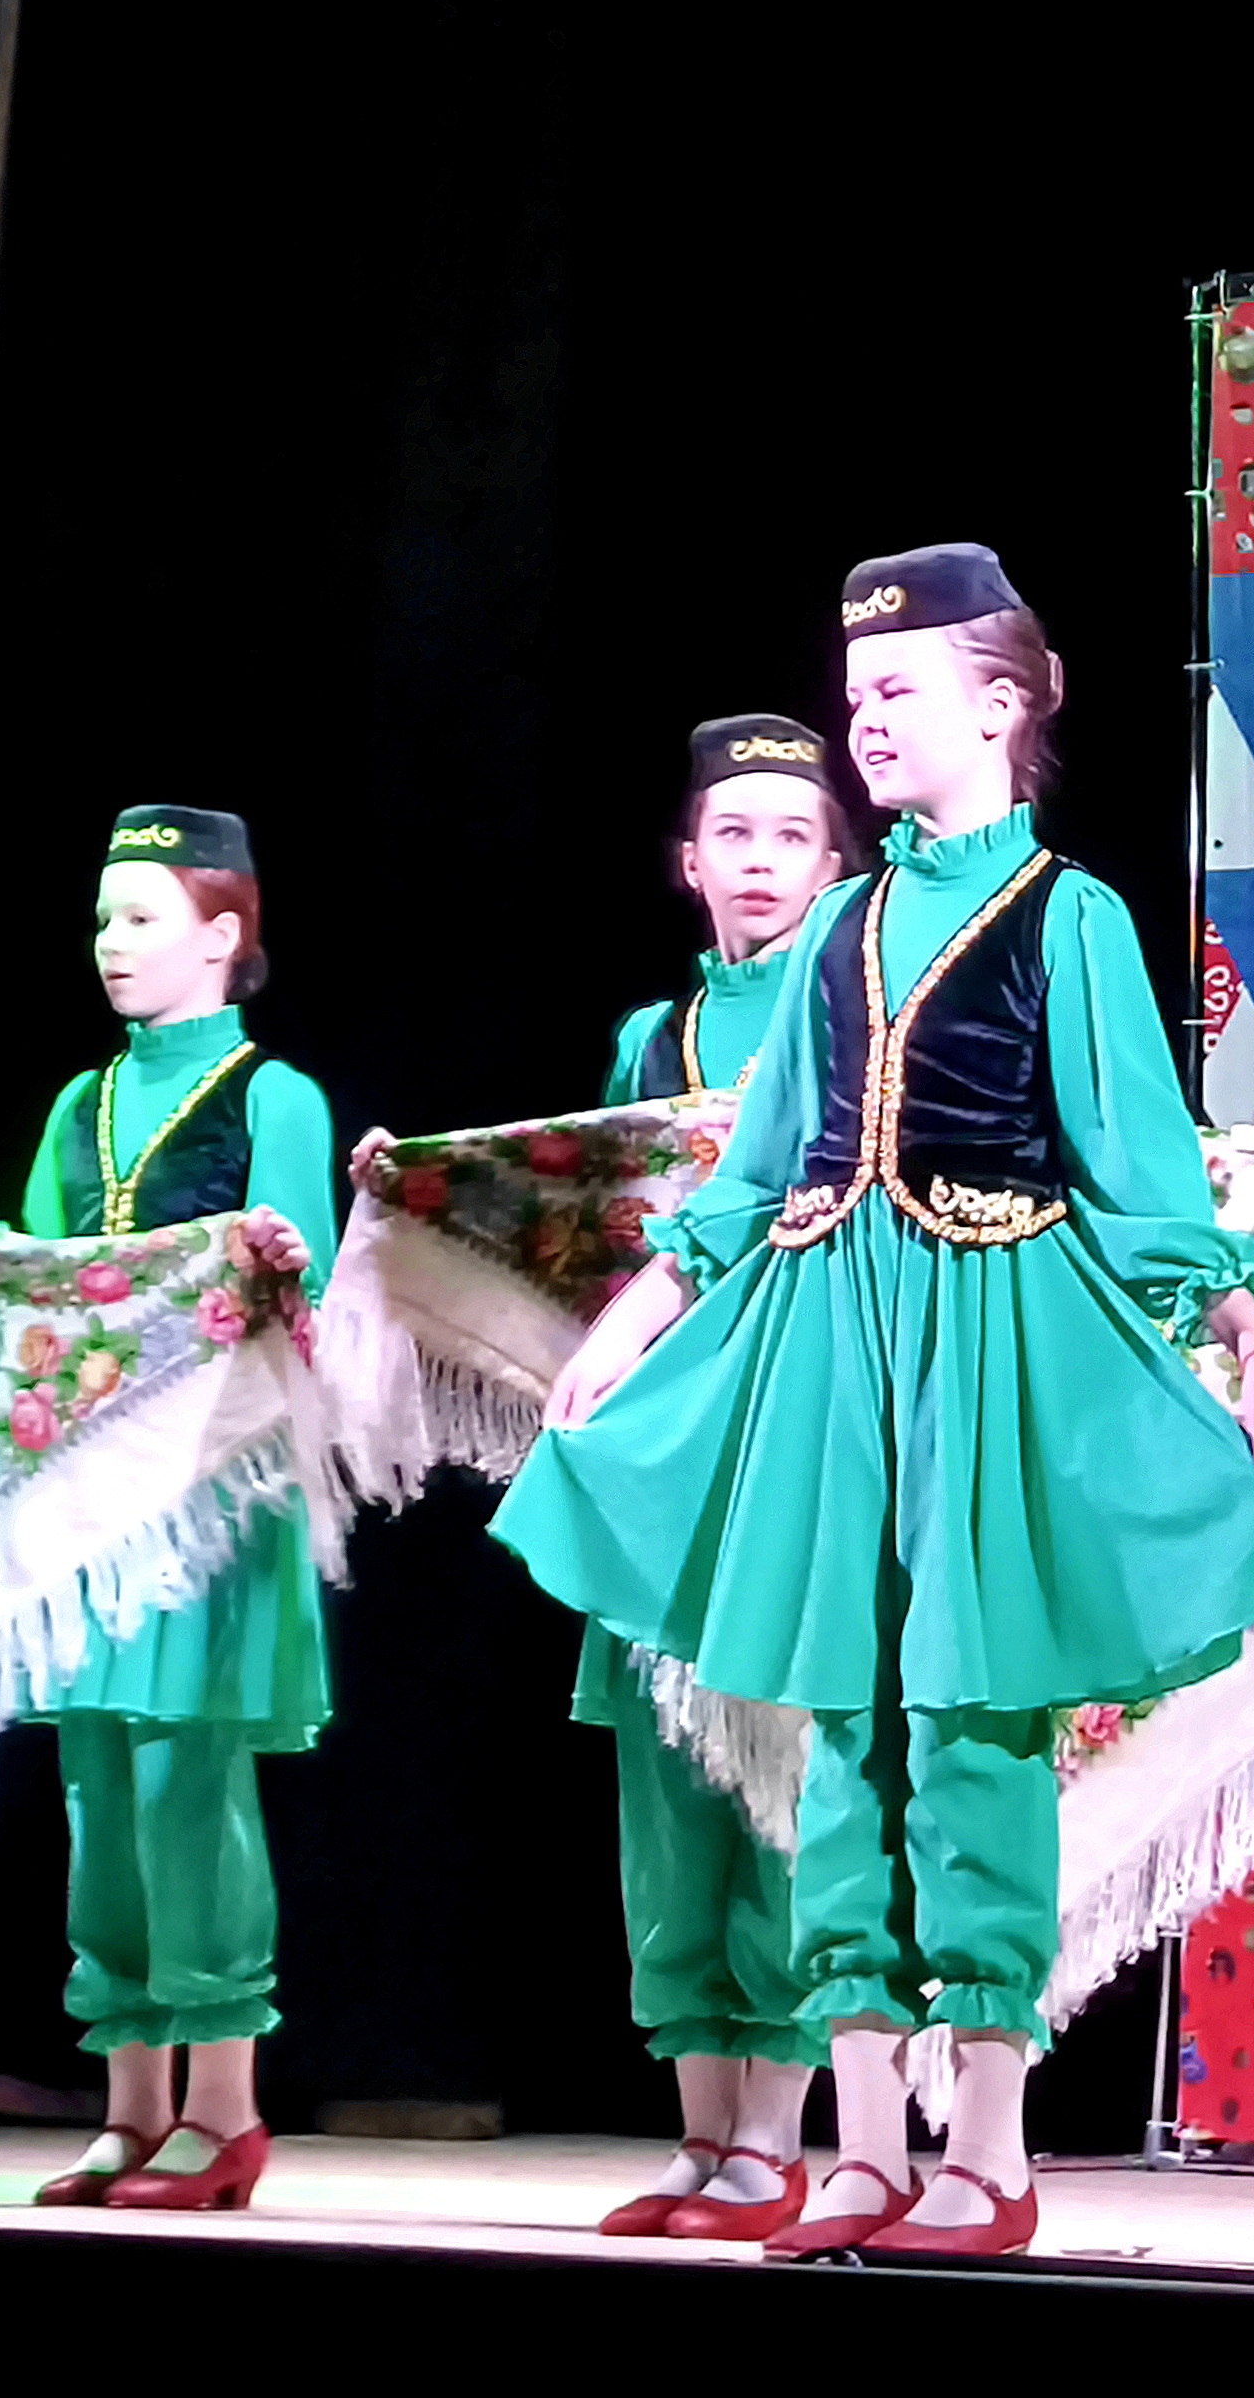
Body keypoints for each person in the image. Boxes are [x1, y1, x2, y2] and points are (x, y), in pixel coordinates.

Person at [493, 544, 1254, 2258]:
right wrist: (636, 1313)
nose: (864, 718)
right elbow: (760, 1162)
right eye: (854, 692)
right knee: (842, 1725)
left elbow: (1141, 1162)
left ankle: (987, 2153)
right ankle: (862, 2148)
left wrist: (1249, 1330)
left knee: (969, 1719)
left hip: (991, 1338)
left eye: (896, 690)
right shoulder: (841, 924)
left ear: (999, 704)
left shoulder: (1067, 915)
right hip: (831, 1340)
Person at [351, 714, 858, 2238]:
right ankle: (700, 2134)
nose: (760, 862)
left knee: (776, 1774)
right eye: (734, 835)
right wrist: (425, 1192)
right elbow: (578, 1215)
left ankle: (773, 2137)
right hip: (658, 1456)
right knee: (667, 1791)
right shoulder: (654, 1040)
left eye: (791, 837)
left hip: (797, 1437)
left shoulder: (854, 1013)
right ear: (688, 862)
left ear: (835, 866)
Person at [14, 805, 336, 2215]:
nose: (111, 941)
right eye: (102, 917)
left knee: (184, 1781)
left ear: (222, 934)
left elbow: (314, 1282)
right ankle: (131, 2104)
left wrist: (285, 1255)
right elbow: (29, 1284)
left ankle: (224, 2106)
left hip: (211, 1488)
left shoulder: (275, 1096)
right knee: (97, 1787)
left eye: (140, 916)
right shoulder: (76, 1107)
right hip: (91, 1493)